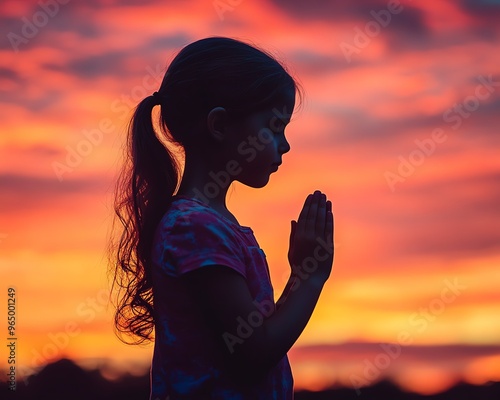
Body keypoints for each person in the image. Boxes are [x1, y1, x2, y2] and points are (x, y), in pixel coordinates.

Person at [109, 36, 334, 400]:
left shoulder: (210, 226)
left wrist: (303, 275)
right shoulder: (195, 229)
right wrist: (309, 277)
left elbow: (255, 338)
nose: (285, 144)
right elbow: (253, 351)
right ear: (220, 125)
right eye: (275, 126)